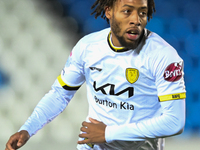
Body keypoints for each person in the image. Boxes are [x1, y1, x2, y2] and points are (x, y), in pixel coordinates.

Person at [5, 0, 186, 149]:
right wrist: (28, 129)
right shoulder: (88, 47)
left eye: (142, 13)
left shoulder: (164, 57)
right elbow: (60, 94)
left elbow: (174, 122)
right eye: (127, 11)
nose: (136, 20)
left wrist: (107, 133)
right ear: (109, 11)